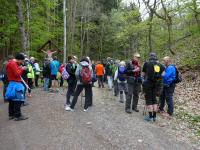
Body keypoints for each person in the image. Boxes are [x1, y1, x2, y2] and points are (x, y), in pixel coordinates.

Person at [142, 52, 165, 122]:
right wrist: (158, 79)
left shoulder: (146, 63)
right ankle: (154, 117)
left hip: (148, 84)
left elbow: (143, 74)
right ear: (156, 57)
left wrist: (143, 80)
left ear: (150, 57)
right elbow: (163, 74)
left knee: (149, 100)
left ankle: (150, 117)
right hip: (156, 85)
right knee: (154, 100)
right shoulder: (160, 65)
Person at [5, 53, 28, 121]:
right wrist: (22, 69)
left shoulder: (11, 63)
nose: (22, 62)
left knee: (12, 100)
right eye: (22, 61)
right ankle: (18, 115)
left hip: (12, 83)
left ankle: (11, 114)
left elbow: (14, 71)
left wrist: (19, 68)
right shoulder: (13, 63)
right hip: (16, 83)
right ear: (19, 59)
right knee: (18, 100)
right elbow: (17, 74)